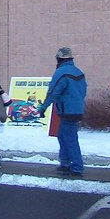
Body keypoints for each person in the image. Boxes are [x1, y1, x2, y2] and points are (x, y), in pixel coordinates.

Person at [36, 47, 88, 177]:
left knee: (70, 139)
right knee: (62, 135)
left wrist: (43, 108)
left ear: (59, 59)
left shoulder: (61, 73)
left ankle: (76, 167)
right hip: (77, 109)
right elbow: (83, 90)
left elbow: (53, 92)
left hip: (66, 111)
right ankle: (65, 163)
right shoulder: (78, 72)